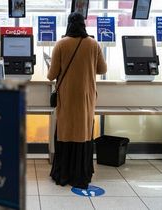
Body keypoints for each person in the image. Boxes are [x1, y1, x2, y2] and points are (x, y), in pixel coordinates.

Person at [47, 12, 107, 189]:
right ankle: (81, 174)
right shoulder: (93, 44)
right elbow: (102, 69)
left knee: (66, 131)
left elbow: (51, 75)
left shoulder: (61, 44)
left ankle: (63, 174)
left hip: (66, 97)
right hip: (86, 98)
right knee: (83, 132)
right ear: (84, 25)